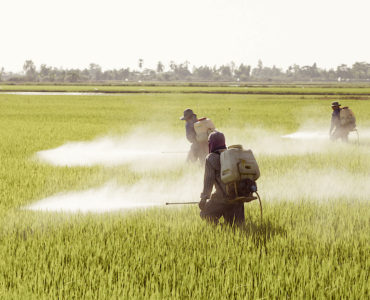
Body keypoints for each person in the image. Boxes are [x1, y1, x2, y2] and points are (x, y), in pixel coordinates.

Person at [198, 131, 245, 226]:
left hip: (222, 197)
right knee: (237, 226)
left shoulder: (211, 158)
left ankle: (221, 228)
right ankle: (226, 231)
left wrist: (204, 198)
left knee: (205, 214)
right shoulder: (232, 155)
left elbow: (208, 181)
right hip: (239, 197)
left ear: (212, 143)